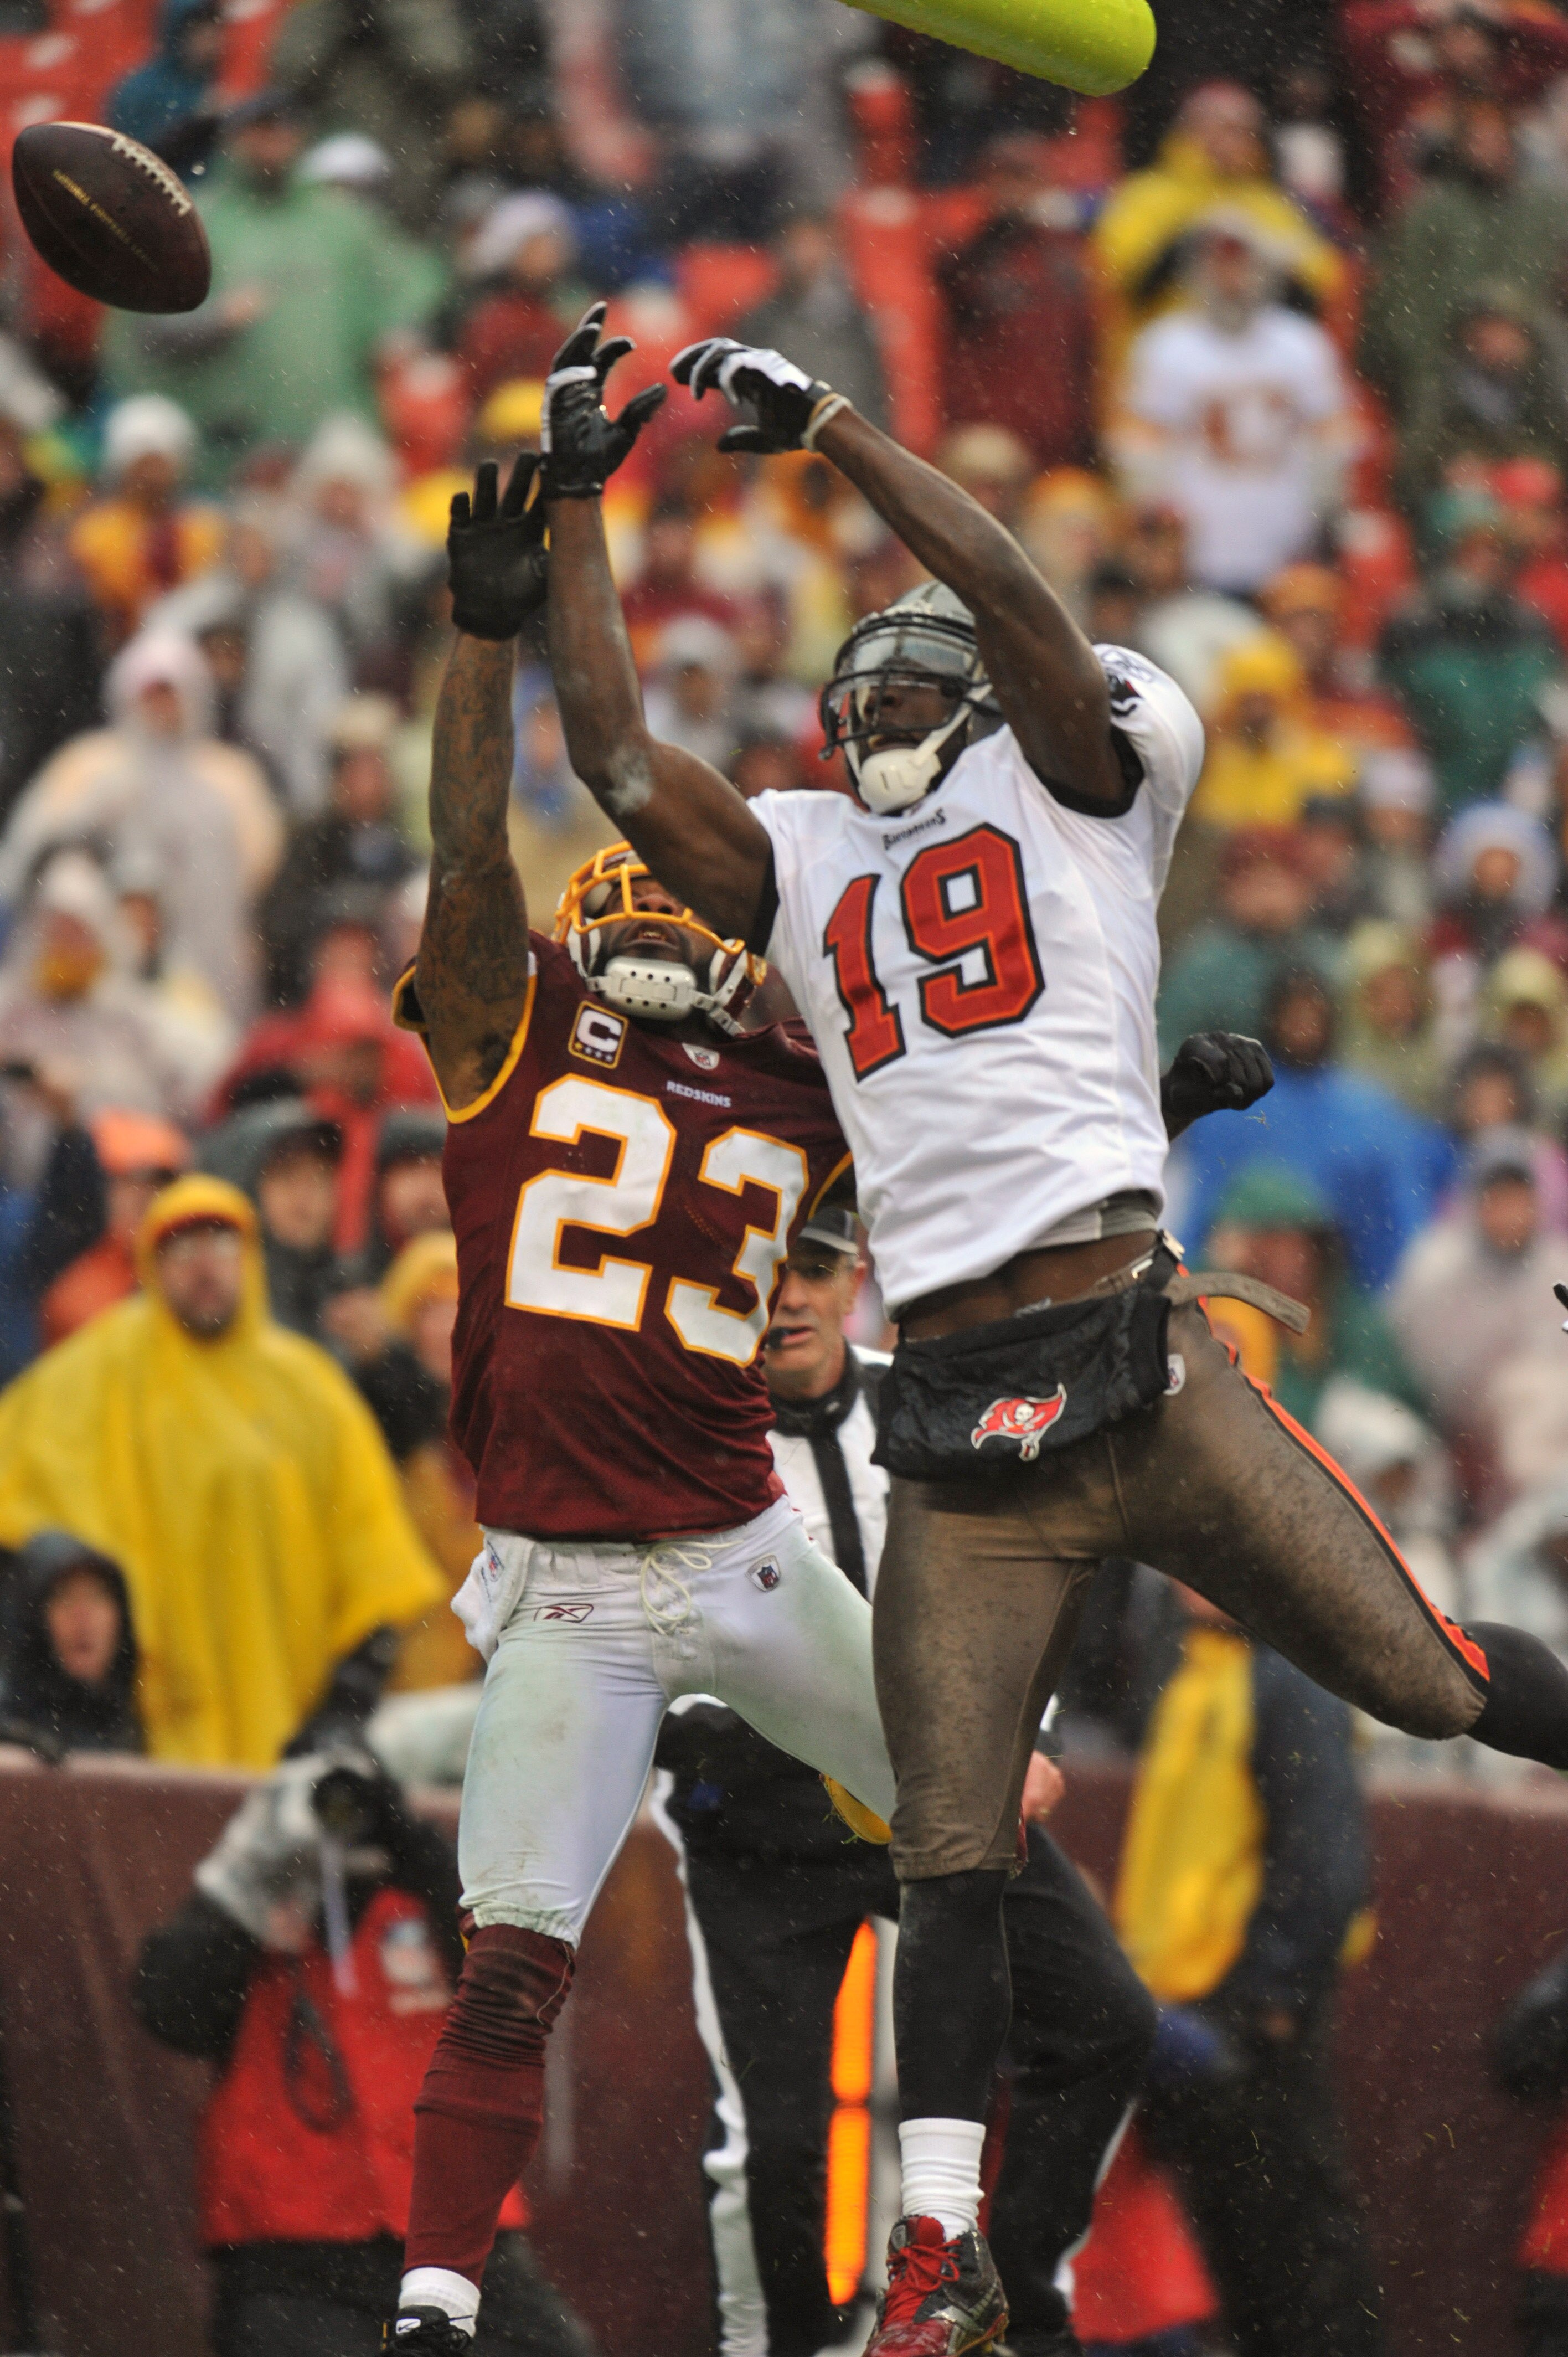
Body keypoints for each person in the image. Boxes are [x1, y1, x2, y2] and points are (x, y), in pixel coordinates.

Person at [539, 303, 1568, 2357]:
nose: (869, 705)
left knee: (1430, 1678)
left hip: (1137, 1350)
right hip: (952, 1416)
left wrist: (829, 423)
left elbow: (1009, 590)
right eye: (854, 686)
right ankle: (938, 2252)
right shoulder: (811, 853)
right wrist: (574, 505)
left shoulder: (1085, 777)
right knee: (943, 1848)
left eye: (906, 671)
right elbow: (604, 752)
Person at [656, 1200, 1155, 2357]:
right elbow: (645, 1658)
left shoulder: (924, 1403)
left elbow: (1023, 1588)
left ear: (856, 1278)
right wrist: (773, 1741)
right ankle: (782, 2343)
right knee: (773, 2142)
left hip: (936, 1802)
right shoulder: (680, 1438)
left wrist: (1027, 1736)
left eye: (816, 1268)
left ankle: (1017, 2291)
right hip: (763, 1830)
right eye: (768, 1272)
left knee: (1105, 2021)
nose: (788, 1297)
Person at [132, 1748, 594, 2357]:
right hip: (292, 2255)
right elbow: (168, 2008)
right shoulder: (248, 1925)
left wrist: (417, 1846)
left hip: (455, 2242)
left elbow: (525, 1990)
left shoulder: (433, 1910)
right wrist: (254, 1869)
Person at [0, 1173, 441, 1767]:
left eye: (223, 1245)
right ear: (152, 1262)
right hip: (137, 1744)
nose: (205, 1267)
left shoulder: (311, 1389)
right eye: (181, 1249)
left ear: (252, 1256)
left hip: (286, 1740)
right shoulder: (95, 1374)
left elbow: (375, 1570)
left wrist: (340, 1712)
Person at [1116, 1585, 1380, 2356]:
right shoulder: (1200, 1671)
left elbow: (1326, 1863)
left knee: (1296, 2255)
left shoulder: (1288, 1680)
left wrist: (1270, 2005)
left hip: (1249, 2022)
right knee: (1244, 2260)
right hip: (1194, 2016)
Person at [1111, 215, 1355, 599]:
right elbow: (1138, 455)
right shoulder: (1166, 346)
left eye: (1240, 263)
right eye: (1218, 264)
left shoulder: (1302, 345)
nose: (1230, 278)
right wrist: (1161, 536)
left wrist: (1320, 520)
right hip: (1195, 561)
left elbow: (1335, 447)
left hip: (1287, 555)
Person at [68, 395, 224, 646]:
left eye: (160, 464)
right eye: (143, 465)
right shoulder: (96, 530)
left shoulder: (205, 527)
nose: (152, 477)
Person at [40, 1106, 190, 1345]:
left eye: (159, 1184)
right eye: (129, 1183)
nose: (145, 1197)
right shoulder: (76, 1299)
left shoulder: (206, 1278)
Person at [200, 1098, 345, 1337]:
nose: (305, 1196)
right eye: (286, 1177)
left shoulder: (350, 1291)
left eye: (321, 1177)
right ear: (244, 1187)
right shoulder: (210, 1304)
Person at [0, 1529, 142, 1757]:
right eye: (64, 1597)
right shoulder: (9, 1723)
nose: (84, 1616)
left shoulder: (147, 1727)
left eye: (98, 1596)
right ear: (31, 1621)